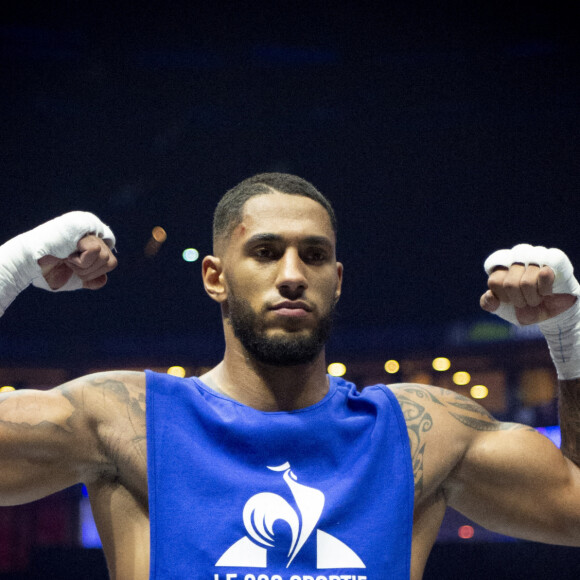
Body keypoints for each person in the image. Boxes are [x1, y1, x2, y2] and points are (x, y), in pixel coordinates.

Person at [0, 173, 579, 580]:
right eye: (266, 252)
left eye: (315, 255)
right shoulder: (127, 419)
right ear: (215, 277)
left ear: (339, 279)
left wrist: (569, 333)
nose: (293, 274)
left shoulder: (419, 430)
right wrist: (12, 266)